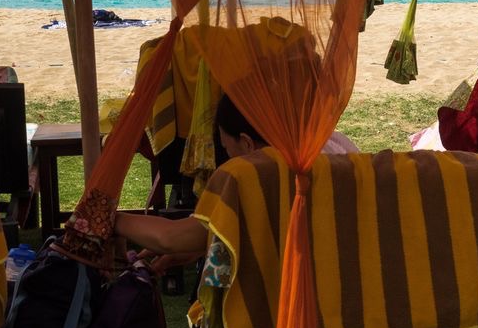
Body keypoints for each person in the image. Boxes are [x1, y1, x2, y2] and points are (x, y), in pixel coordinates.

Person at [114, 94, 357, 270]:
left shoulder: (253, 172)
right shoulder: (337, 145)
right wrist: (203, 244)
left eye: (227, 148)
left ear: (247, 143)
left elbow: (172, 238)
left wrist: (113, 219)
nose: (228, 157)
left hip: (292, 311)